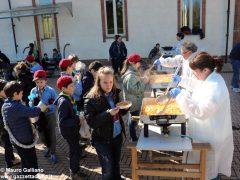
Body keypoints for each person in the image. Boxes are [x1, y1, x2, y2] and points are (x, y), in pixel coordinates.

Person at [167, 52, 233, 180]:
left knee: (209, 171)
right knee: (202, 168)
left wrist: (180, 95)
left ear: (205, 70)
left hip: (211, 135)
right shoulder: (210, 77)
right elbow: (198, 84)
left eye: (195, 71)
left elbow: (201, 111)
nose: (194, 74)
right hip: (205, 131)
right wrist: (181, 80)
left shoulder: (216, 87)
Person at [84, 66, 128, 180]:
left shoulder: (114, 93)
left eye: (110, 82)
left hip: (117, 136)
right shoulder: (91, 99)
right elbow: (91, 122)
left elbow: (120, 113)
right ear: (98, 82)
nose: (108, 85)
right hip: (102, 139)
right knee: (107, 168)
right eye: (105, 82)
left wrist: (125, 108)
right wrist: (108, 114)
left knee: (116, 163)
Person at [2, 81, 44, 177]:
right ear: (15, 94)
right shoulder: (16, 107)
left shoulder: (6, 104)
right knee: (31, 161)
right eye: (21, 93)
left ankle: (26, 174)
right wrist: (41, 107)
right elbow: (33, 112)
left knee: (25, 160)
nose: (22, 94)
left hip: (15, 139)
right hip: (24, 139)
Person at [54, 76, 88, 179]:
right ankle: (74, 172)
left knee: (76, 150)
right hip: (69, 131)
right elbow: (63, 121)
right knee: (74, 152)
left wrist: (77, 116)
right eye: (72, 86)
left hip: (72, 129)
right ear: (64, 89)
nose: (74, 88)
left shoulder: (69, 96)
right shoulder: (63, 102)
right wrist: (78, 120)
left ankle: (75, 168)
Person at [28, 70, 58, 164]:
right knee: (42, 134)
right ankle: (47, 147)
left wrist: (48, 108)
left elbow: (56, 103)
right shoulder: (33, 90)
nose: (39, 84)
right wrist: (32, 104)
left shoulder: (51, 90)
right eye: (37, 82)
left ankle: (53, 152)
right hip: (39, 117)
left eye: (41, 81)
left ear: (46, 81)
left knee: (51, 133)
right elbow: (30, 101)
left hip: (49, 115)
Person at [121, 54, 149, 141]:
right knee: (133, 121)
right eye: (139, 62)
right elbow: (135, 90)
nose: (140, 64)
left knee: (132, 118)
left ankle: (132, 136)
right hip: (134, 102)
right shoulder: (130, 76)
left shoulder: (132, 72)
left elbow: (135, 83)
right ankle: (133, 138)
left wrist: (141, 79)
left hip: (134, 101)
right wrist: (144, 81)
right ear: (133, 63)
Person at [0, 80, 20, 168]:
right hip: (4, 128)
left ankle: (12, 158)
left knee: (8, 143)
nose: (7, 93)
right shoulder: (1, 102)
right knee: (7, 145)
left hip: (3, 127)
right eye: (5, 91)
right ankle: (9, 164)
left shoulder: (2, 99)